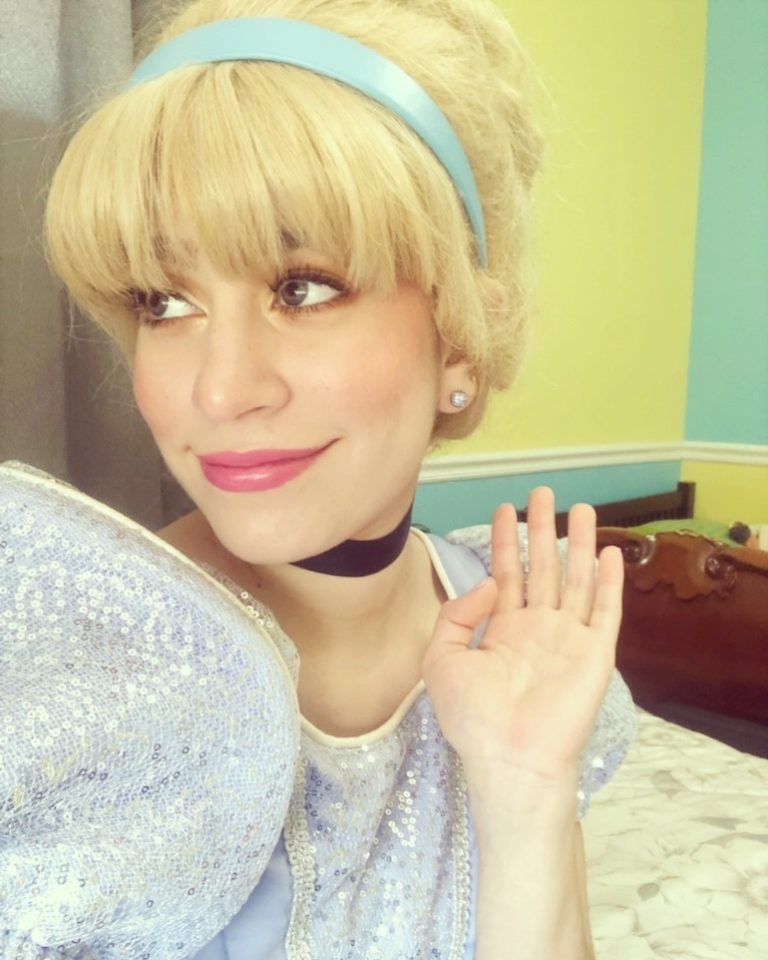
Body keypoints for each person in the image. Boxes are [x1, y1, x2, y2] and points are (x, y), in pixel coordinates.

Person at [8, 0, 636, 957]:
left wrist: (527, 789)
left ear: (459, 338)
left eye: (301, 288)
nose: (221, 391)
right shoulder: (83, 677)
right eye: (164, 303)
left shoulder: (511, 627)